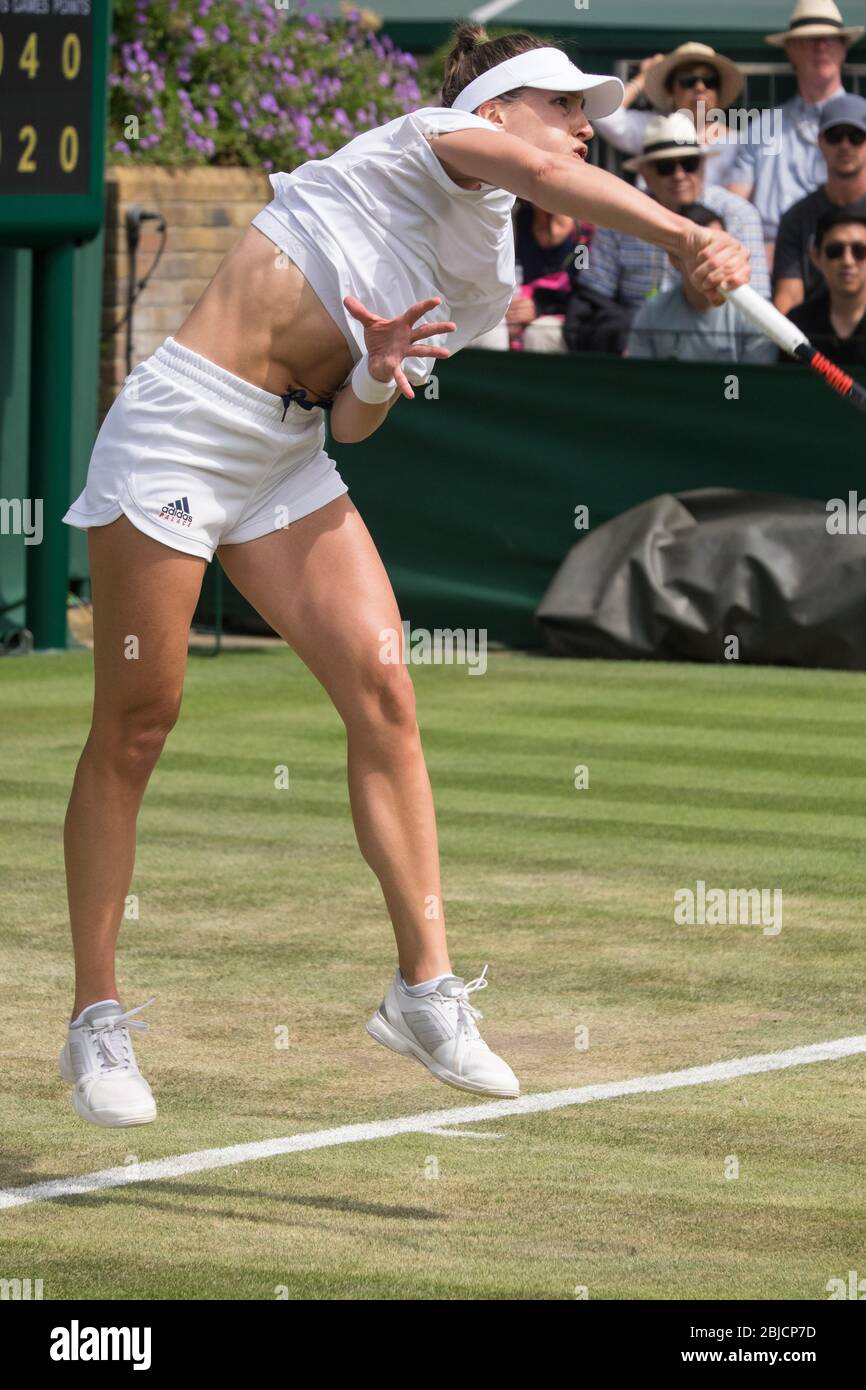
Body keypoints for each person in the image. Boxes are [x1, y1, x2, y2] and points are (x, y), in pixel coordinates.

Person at [59, 23, 750, 1128]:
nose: (581, 130)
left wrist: (375, 373)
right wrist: (682, 235)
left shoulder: (479, 274)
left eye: (588, 111)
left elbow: (354, 422)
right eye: (561, 105)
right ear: (493, 111)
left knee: (386, 686)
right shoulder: (422, 139)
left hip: (289, 454)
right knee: (141, 720)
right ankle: (95, 1016)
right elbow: (539, 171)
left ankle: (422, 990)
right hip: (183, 429)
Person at [567, 113, 767, 354]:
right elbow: (595, 299)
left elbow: (756, 303)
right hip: (635, 341)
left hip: (716, 342)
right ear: (644, 173)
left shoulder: (738, 214)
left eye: (689, 163)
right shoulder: (617, 215)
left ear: (703, 165)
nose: (679, 175)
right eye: (665, 167)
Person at [727, 0, 862, 257]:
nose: (821, 47)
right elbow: (733, 206)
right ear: (790, 50)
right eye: (810, 39)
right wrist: (754, 254)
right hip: (771, 260)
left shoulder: (864, 120)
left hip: (851, 258)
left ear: (844, 50)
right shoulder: (762, 126)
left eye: (831, 39)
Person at [626, 205, 778, 362]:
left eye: (719, 248)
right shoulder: (651, 312)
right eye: (702, 248)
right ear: (673, 259)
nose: (712, 258)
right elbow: (640, 382)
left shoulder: (756, 316)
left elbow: (755, 384)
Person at [594, 42, 746, 188]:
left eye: (710, 81)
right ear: (670, 91)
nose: (700, 87)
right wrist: (642, 79)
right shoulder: (654, 127)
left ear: (718, 92)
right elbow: (604, 116)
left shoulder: (738, 142)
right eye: (688, 81)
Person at [773, 92, 866, 312]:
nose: (845, 145)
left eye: (856, 136)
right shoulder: (796, 218)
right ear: (820, 142)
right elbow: (788, 298)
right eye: (835, 136)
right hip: (814, 336)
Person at [471, 200, 591, 351]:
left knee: (540, 333)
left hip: (565, 318)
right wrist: (502, 307)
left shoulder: (586, 237)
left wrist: (541, 307)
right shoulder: (510, 223)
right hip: (508, 315)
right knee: (489, 331)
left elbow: (588, 294)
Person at [784, 207, 866, 362]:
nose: (848, 261)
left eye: (860, 250)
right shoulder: (796, 324)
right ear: (816, 257)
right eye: (835, 250)